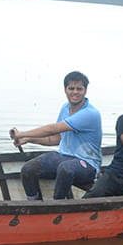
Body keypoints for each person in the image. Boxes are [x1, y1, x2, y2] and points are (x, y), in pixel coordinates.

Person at [9, 71, 102, 200]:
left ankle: (57, 205)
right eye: (71, 88)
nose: (75, 92)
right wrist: (29, 139)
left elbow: (53, 129)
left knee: (66, 169)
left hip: (87, 163)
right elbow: (56, 138)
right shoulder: (65, 108)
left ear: (85, 90)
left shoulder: (90, 113)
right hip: (63, 156)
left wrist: (21, 133)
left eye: (79, 89)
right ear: (65, 90)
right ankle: (34, 204)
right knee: (28, 169)